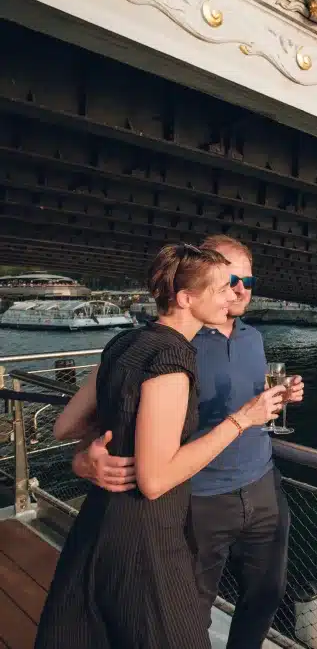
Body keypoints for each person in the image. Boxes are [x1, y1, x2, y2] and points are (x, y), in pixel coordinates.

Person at [36, 243, 287, 649]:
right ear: (187, 298)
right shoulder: (173, 358)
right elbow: (154, 481)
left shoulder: (124, 343)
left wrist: (88, 456)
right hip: (147, 534)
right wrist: (244, 419)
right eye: (224, 287)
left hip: (98, 525)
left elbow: (65, 426)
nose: (233, 295)